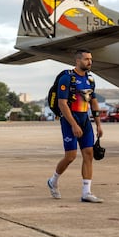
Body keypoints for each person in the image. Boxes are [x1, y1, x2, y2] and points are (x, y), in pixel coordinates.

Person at [47, 49, 104, 203]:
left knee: (89, 154)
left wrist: (98, 124)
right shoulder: (67, 78)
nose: (90, 62)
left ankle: (86, 192)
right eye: (86, 59)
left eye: (91, 59)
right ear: (77, 61)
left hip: (85, 120)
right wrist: (73, 124)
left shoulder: (90, 80)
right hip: (69, 120)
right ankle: (53, 181)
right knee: (70, 156)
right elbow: (62, 103)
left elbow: (93, 102)